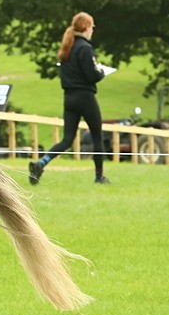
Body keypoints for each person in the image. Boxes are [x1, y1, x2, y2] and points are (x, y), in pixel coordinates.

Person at [29, 12, 111, 185]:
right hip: (85, 97)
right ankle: (99, 176)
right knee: (97, 136)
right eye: (92, 27)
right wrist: (102, 72)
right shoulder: (85, 48)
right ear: (87, 27)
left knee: (67, 139)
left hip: (69, 98)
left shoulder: (68, 47)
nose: (92, 31)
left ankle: (41, 163)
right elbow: (91, 75)